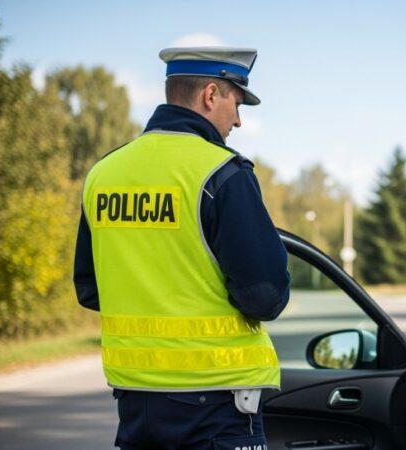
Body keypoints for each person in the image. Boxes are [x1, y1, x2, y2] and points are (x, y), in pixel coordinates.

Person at [73, 47, 291, 449]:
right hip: (219, 405)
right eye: (237, 103)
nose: (238, 121)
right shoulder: (222, 172)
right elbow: (265, 297)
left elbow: (91, 289)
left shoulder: (103, 174)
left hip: (135, 405)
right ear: (211, 94)